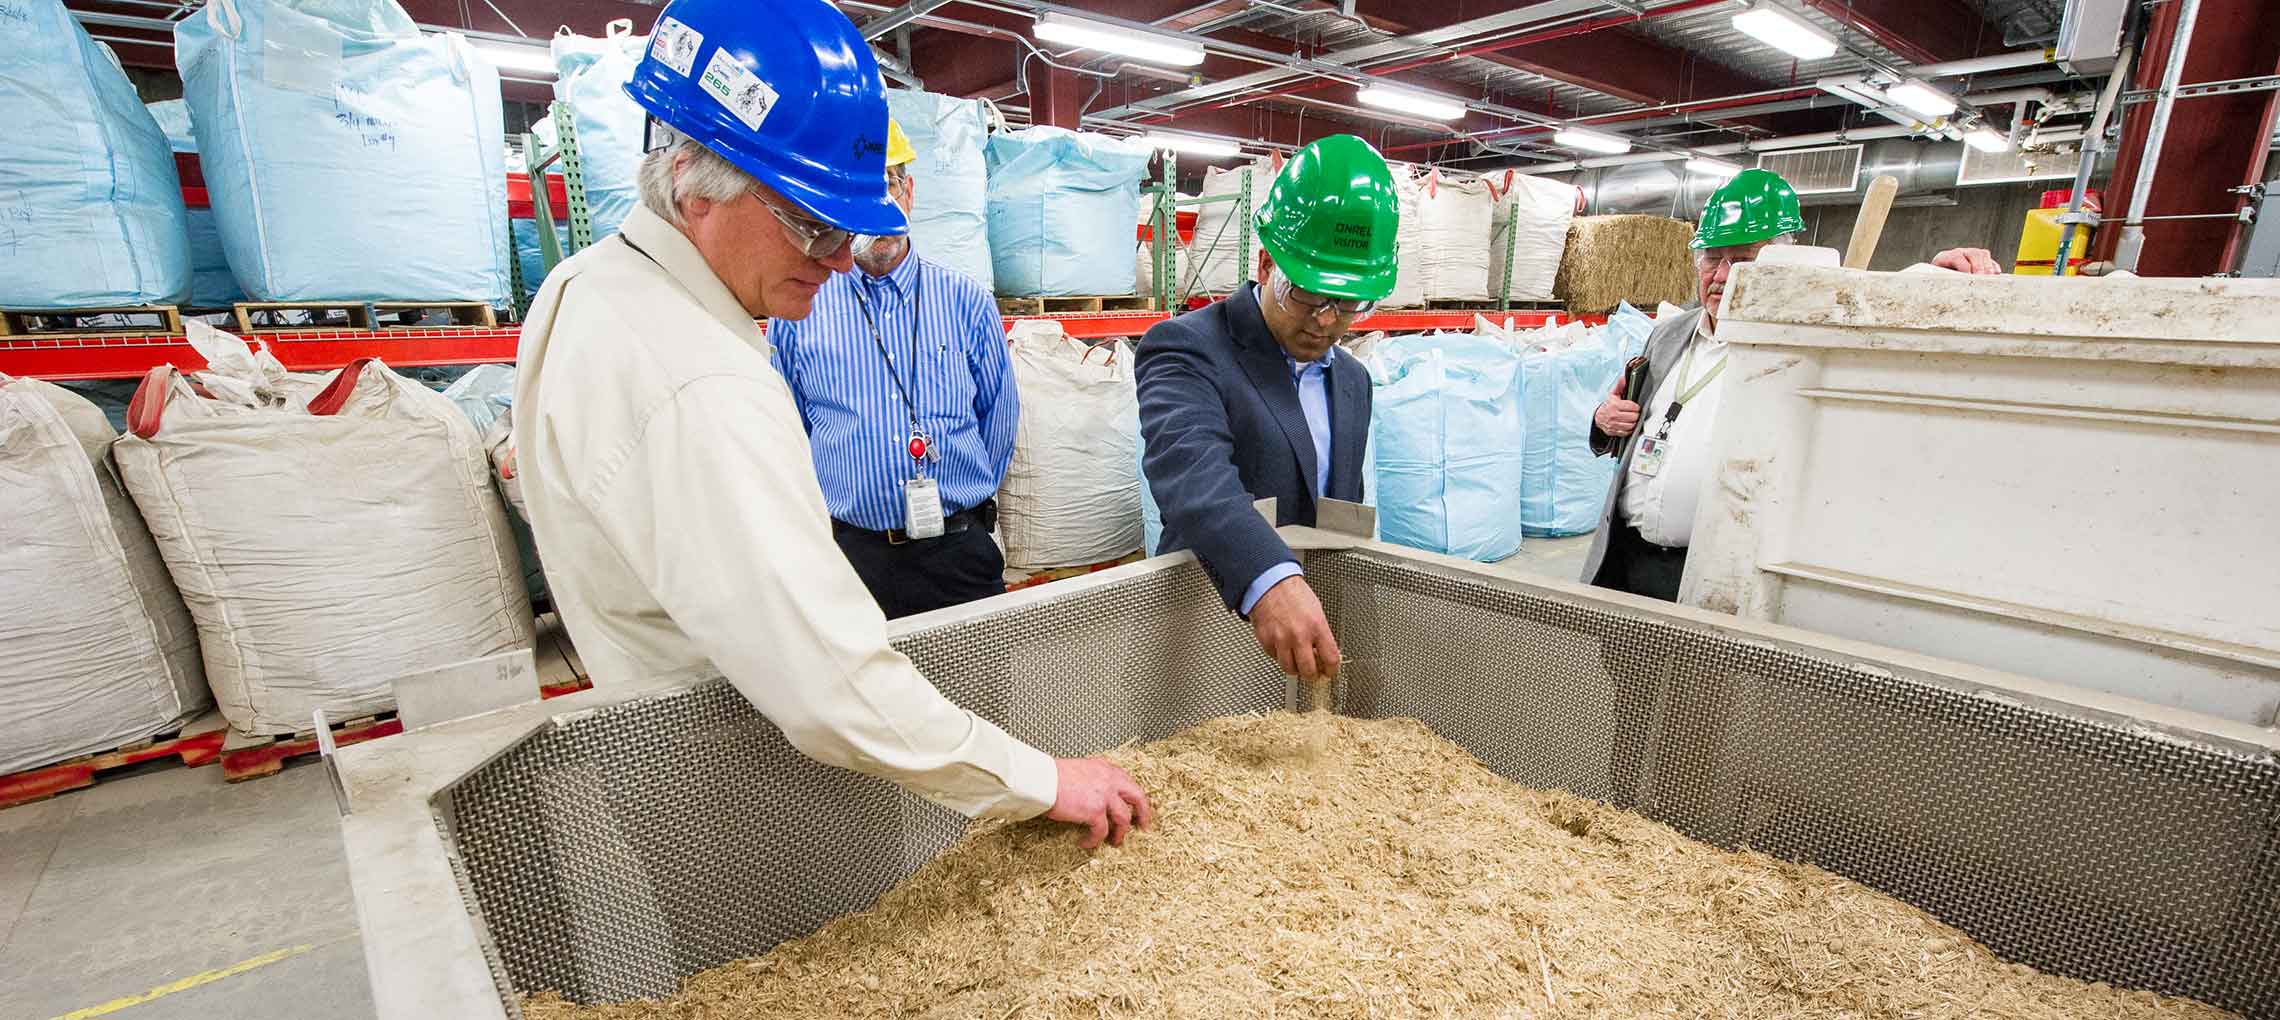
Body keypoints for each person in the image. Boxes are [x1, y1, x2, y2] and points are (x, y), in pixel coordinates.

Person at [509, 0, 1147, 849]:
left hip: (697, 740)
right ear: (695, 187)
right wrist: (1040, 779)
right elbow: (826, 682)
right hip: (733, 785)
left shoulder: (589, 288)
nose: (840, 259)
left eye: (849, 227)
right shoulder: (696, 382)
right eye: (813, 225)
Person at [1580, 168, 2002, 600]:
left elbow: (1890, 318)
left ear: (1781, 261)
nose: (1722, 275)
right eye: (1712, 257)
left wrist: (1941, 278)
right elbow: (1633, 426)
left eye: (1742, 259)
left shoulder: (1807, 344)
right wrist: (1603, 421)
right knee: (1626, 667)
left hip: (1716, 572)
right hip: (1627, 562)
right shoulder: (1667, 334)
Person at [1136, 134, 1399, 683]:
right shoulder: (1186, 348)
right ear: (1265, 262)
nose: (1326, 320)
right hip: (1213, 622)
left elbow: (1341, 508)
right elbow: (1194, 476)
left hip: (1314, 629)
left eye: (1348, 302)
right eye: (1306, 294)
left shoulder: (1352, 380)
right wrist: (1271, 578)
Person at [771, 119, 1020, 619]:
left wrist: (961, 506)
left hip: (957, 550)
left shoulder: (964, 300)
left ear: (908, 192)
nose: (876, 205)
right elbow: (790, 426)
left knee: (980, 693)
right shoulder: (801, 307)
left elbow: (999, 416)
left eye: (885, 182)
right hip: (852, 558)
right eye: (856, 189)